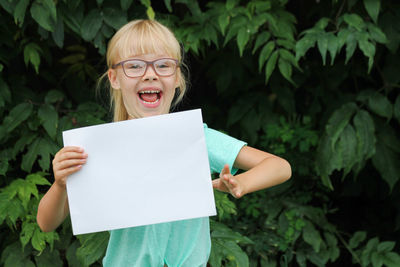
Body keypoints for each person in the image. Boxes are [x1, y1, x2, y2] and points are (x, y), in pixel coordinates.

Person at [37, 19, 291, 267]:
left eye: (163, 65)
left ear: (177, 77)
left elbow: (279, 167)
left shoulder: (196, 138)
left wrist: (240, 183)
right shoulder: (96, 150)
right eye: (135, 66)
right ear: (114, 78)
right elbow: (46, 223)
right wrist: (60, 184)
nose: (150, 75)